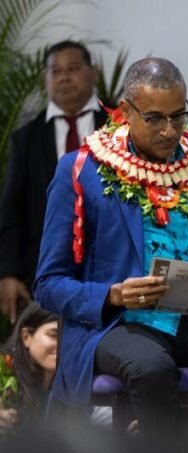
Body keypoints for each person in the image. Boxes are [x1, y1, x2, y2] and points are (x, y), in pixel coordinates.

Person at [33, 57, 188, 433]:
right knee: (151, 368)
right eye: (155, 118)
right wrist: (113, 295)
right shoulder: (81, 170)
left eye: (179, 116)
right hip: (119, 325)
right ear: (126, 111)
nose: (170, 130)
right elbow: (48, 285)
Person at [0, 40, 106, 325]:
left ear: (92, 72)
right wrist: (8, 273)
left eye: (72, 68)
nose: (64, 77)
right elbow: (12, 211)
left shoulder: (117, 128)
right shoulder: (26, 138)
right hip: (45, 269)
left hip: (108, 266)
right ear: (45, 79)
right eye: (55, 71)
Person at [0, 302, 59, 434]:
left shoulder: (73, 381)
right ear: (26, 337)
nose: (63, 344)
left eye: (70, 337)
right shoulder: (3, 368)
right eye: (53, 335)